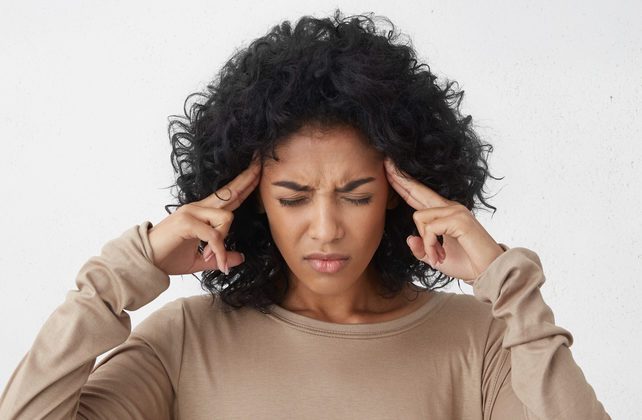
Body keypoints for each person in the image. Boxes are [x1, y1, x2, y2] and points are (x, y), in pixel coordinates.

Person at [0, 9, 610, 419]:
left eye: (357, 195)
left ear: (402, 195)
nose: (325, 229)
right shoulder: (185, 341)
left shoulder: (482, 344)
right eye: (293, 197)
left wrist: (509, 284)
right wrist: (117, 278)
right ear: (250, 201)